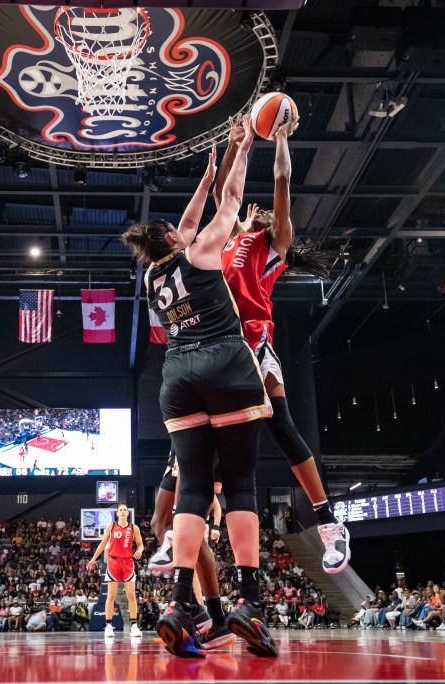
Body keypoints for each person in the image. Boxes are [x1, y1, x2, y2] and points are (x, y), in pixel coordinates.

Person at [121, 115, 276, 658]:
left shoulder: (151, 276)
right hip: (225, 367)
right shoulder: (203, 251)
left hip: (177, 378)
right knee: (238, 484)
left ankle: (180, 603)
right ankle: (250, 601)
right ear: (173, 237)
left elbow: (189, 221)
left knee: (192, 489)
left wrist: (204, 179)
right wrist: (240, 149)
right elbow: (232, 201)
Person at [215, 113, 350, 574]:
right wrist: (238, 144)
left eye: (265, 214)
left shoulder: (273, 245)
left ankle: (328, 521)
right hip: (224, 348)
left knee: (283, 430)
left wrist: (280, 138)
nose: (259, 211)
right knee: (221, 441)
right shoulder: (233, 240)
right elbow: (223, 196)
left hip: (255, 343)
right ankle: (203, 528)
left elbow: (282, 178)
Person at [148, 448, 237, 650]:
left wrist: (214, 526)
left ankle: (196, 608)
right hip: (217, 444)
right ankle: (215, 618)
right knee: (193, 532)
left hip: (190, 440)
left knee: (162, 522)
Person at [85, 503, 144, 638]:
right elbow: (103, 543)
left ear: (128, 513)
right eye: (120, 510)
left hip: (128, 562)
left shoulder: (133, 528)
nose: (123, 512)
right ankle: (109, 626)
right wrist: (93, 559)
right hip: (113, 562)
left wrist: (139, 550)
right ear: (117, 513)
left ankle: (134, 626)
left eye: (125, 510)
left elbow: (140, 544)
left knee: (131, 596)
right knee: (111, 596)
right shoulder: (111, 526)